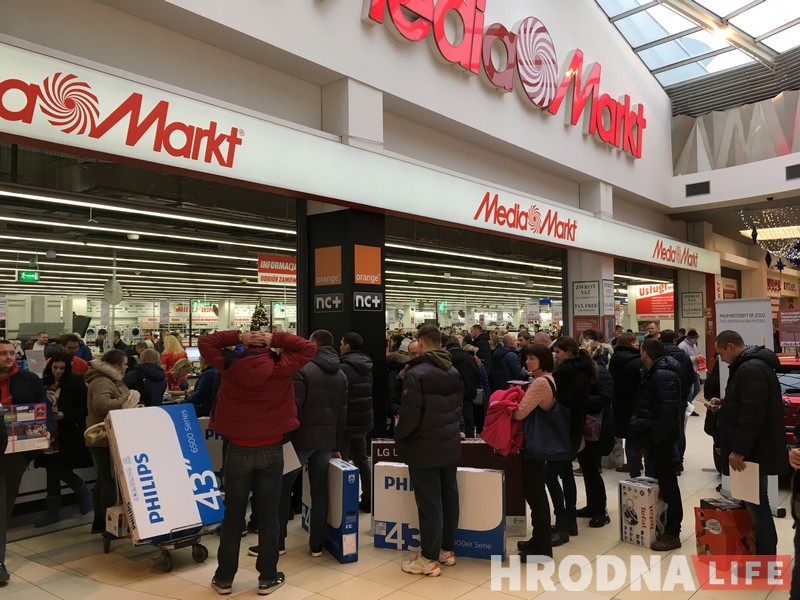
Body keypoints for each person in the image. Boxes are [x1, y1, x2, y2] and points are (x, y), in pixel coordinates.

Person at [199, 329, 315, 596]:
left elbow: (206, 342)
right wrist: (276, 339)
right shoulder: (281, 367)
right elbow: (308, 348)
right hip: (271, 448)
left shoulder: (229, 365)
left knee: (233, 515)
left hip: (237, 449)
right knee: (269, 514)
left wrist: (239, 336)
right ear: (268, 349)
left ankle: (224, 578)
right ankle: (267, 577)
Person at [267, 329, 347, 558]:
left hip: (299, 440)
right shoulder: (341, 375)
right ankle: (316, 545)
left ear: (312, 343)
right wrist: (336, 446)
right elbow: (342, 414)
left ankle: (277, 542)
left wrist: (283, 438)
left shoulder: (302, 369)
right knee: (319, 490)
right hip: (325, 442)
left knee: (283, 487)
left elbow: (294, 409)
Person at [710, 330, 787, 556]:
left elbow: (752, 416)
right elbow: (745, 403)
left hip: (753, 451)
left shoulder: (750, 369)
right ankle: (759, 554)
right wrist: (724, 404)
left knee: (757, 506)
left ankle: (766, 558)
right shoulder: (750, 366)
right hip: (755, 449)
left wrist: (738, 451)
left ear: (731, 346)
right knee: (754, 502)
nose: (722, 359)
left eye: (721, 353)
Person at [394, 324, 462, 576]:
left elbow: (410, 416)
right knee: (449, 499)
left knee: (429, 504)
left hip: (423, 447)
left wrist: (399, 435)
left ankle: (428, 559)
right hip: (448, 445)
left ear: (421, 342)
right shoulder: (453, 370)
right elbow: (457, 408)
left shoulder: (417, 373)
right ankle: (446, 550)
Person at [0, 339, 49, 584]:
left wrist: (47, 432)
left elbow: (43, 407)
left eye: (11, 353)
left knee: (5, 503)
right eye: (3, 354)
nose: (8, 357)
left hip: (15, 453)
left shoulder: (28, 379)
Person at [629, 339, 683, 551]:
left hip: (661, 438)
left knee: (669, 483)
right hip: (657, 436)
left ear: (645, 353)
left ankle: (673, 532)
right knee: (665, 481)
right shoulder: (658, 371)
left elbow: (668, 410)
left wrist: (656, 436)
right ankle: (667, 527)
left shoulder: (662, 374)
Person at [33, 353, 93, 527]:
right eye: (55, 367)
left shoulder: (76, 383)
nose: (58, 371)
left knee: (59, 470)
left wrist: (65, 415)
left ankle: (81, 493)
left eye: (62, 368)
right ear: (50, 367)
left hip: (67, 433)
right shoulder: (43, 383)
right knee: (51, 471)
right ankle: (54, 511)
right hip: (48, 433)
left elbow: (84, 409)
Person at [513, 343, 559, 561]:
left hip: (535, 445)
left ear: (543, 360)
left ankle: (542, 547)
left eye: (532, 358)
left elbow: (520, 413)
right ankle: (538, 539)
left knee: (535, 494)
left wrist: (508, 403)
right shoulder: (547, 379)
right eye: (527, 357)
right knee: (535, 493)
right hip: (538, 444)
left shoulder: (540, 382)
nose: (527, 362)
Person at [548, 336, 592, 546]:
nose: (556, 356)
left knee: (550, 475)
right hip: (571, 430)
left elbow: (562, 400)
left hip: (566, 430)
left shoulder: (571, 374)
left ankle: (563, 524)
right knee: (566, 474)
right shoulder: (579, 371)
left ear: (569, 352)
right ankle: (570, 521)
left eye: (558, 352)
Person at [85, 350, 135, 535]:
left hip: (110, 437)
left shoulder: (112, 380)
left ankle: (99, 522)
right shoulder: (102, 381)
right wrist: (127, 400)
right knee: (109, 482)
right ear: (115, 366)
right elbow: (101, 405)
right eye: (124, 364)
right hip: (103, 439)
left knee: (103, 480)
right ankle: (108, 526)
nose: (126, 367)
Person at [576, 340, 614, 528]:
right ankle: (592, 506)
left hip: (598, 428)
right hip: (588, 428)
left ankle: (600, 510)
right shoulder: (587, 371)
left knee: (592, 469)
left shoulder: (600, 371)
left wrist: (581, 400)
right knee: (587, 468)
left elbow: (606, 397)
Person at [339, 332, 374, 513]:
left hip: (346, 423)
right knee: (362, 460)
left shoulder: (342, 368)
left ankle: (345, 503)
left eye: (341, 343)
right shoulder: (367, 367)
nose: (340, 347)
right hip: (363, 421)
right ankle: (368, 499)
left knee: (343, 463)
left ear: (347, 346)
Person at [608, 333, 649, 477]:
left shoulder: (615, 359)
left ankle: (633, 469)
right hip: (638, 402)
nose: (637, 343)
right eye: (633, 341)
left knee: (630, 438)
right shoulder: (638, 360)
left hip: (620, 403)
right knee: (641, 437)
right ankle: (641, 468)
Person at [660, 330, 694, 474]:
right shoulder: (683, 355)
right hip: (680, 397)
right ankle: (679, 460)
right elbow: (691, 377)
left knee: (663, 427)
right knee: (679, 427)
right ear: (674, 340)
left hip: (661, 396)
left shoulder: (658, 354)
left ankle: (667, 460)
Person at [445, 337, 480, 438]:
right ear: (459, 345)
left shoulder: (443, 359)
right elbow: (478, 376)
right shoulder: (469, 358)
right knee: (469, 423)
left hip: (449, 397)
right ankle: (469, 443)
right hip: (467, 395)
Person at [678, 329, 702, 416]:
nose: (696, 341)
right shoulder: (682, 346)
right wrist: (695, 358)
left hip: (694, 370)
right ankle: (688, 408)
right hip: (687, 371)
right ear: (690, 338)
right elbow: (683, 359)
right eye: (695, 339)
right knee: (689, 391)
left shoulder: (694, 345)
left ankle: (688, 404)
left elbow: (697, 354)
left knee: (697, 389)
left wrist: (699, 357)